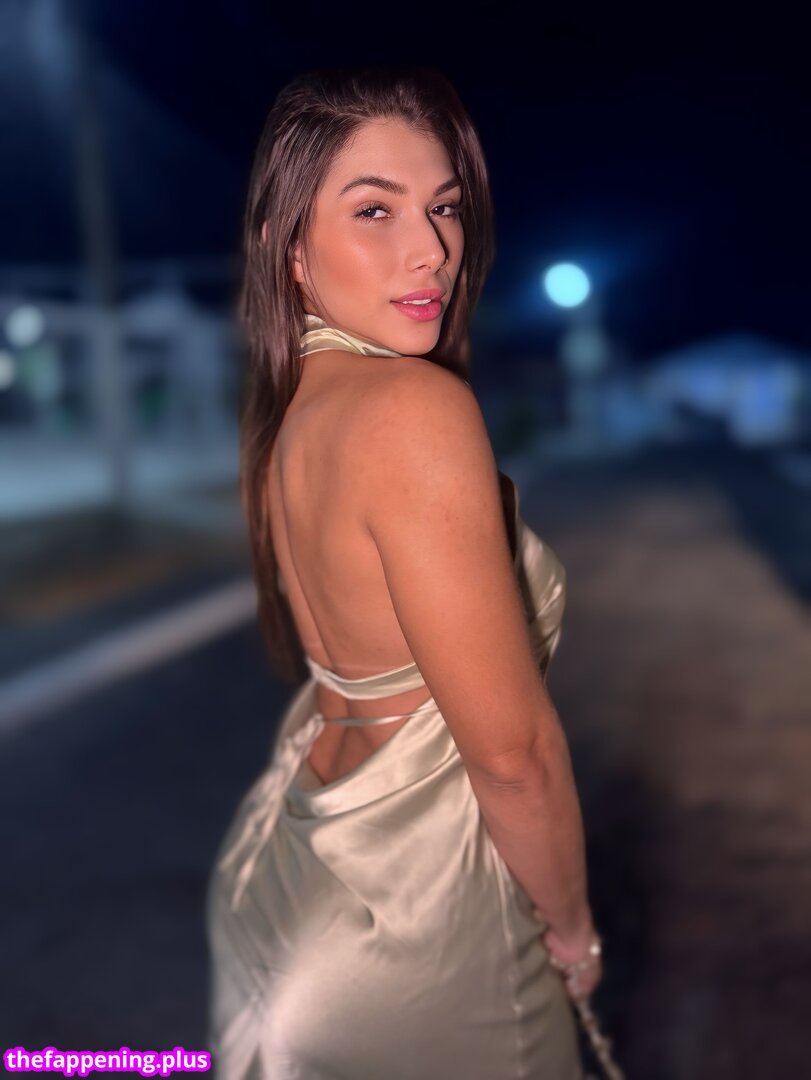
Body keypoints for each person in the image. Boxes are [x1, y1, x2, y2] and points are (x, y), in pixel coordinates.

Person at [206, 64, 603, 1079]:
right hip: (423, 929)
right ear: (290, 251)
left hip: (291, 882)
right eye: (374, 209)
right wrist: (569, 930)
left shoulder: (294, 420)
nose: (430, 248)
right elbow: (512, 756)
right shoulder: (413, 411)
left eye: (445, 207)